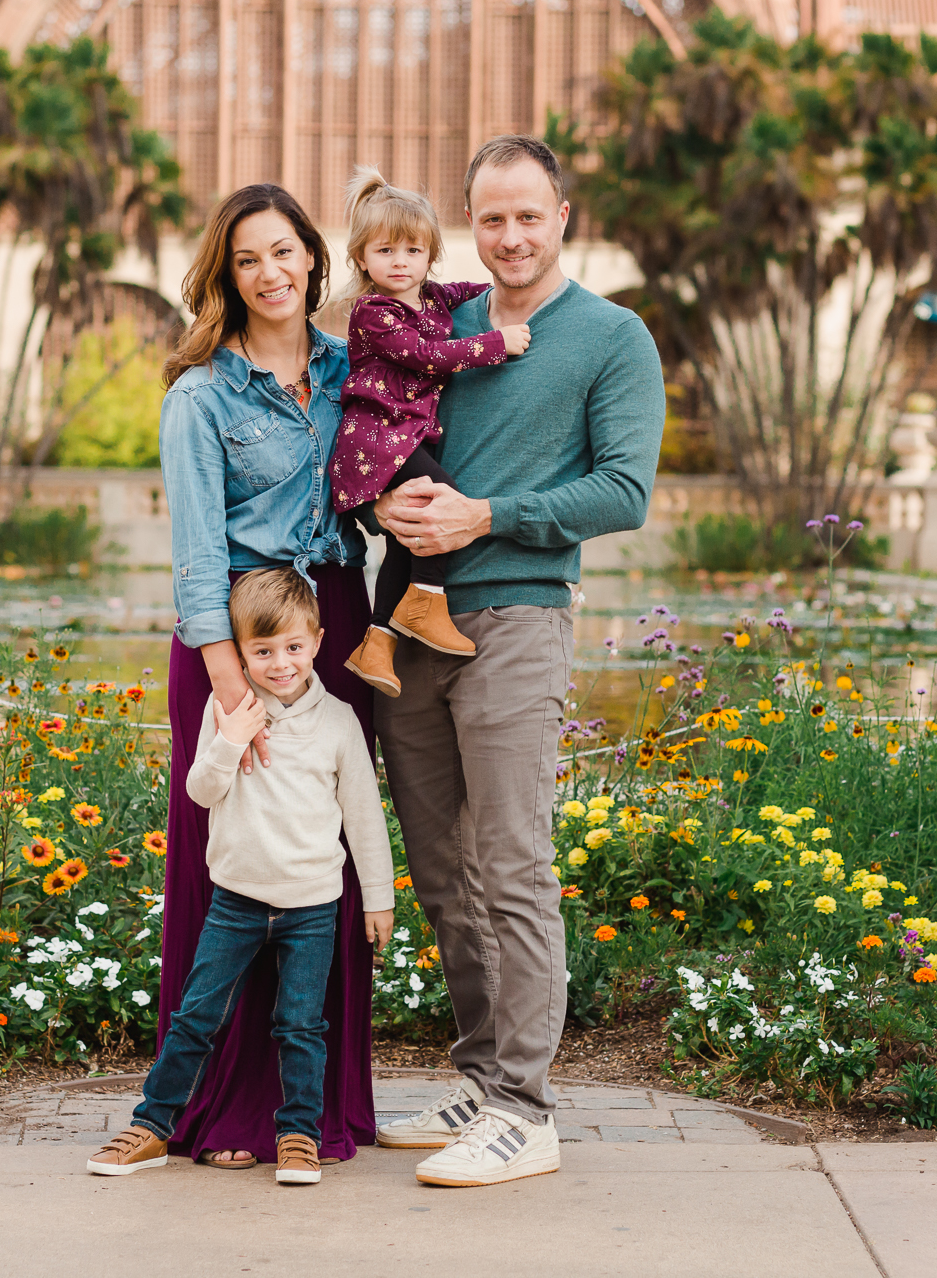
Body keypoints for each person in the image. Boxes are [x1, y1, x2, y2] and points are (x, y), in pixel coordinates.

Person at [369, 135, 666, 1186]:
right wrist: (380, 498)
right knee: (444, 871)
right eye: (489, 218)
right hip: (403, 624)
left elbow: (622, 491)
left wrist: (486, 515)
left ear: (562, 217)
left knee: (510, 864)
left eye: (526, 216)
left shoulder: (610, 338)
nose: (508, 237)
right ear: (468, 223)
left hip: (515, 622)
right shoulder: (429, 323)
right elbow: (371, 426)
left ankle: (525, 1112)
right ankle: (482, 1076)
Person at [142, 183, 382, 1168]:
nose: (270, 273)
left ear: (312, 259)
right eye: (247, 259)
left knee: (312, 861)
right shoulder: (200, 394)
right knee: (232, 869)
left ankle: (311, 1107)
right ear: (225, 275)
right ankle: (223, 1110)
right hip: (234, 645)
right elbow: (198, 559)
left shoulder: (351, 369)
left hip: (331, 632)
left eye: (284, 252)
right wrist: (234, 691)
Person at [88, 569, 395, 1185]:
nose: (280, 663)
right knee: (197, 1016)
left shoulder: (339, 723)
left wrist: (379, 899)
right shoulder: (225, 709)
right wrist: (230, 738)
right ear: (240, 653)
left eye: (293, 647)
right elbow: (201, 792)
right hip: (236, 903)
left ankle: (299, 1135)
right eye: (262, 651)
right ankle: (152, 1125)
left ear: (317, 642)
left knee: (302, 1024)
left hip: (313, 907)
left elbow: (364, 817)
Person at [329, 165, 533, 698]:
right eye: (386, 251)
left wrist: (508, 288)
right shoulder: (374, 312)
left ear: (430, 255)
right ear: (362, 258)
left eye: (413, 251)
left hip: (406, 438)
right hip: (377, 440)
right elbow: (426, 357)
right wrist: (496, 344)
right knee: (445, 501)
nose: (400, 262)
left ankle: (376, 644)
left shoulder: (437, 300)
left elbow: (475, 292)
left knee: (410, 534)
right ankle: (426, 601)